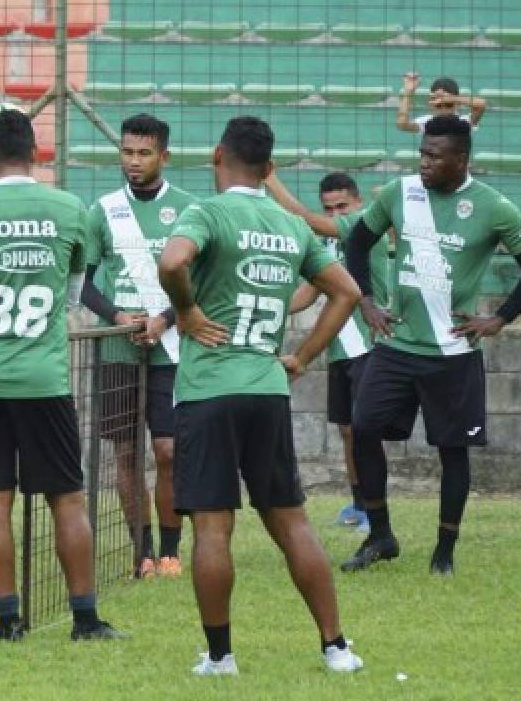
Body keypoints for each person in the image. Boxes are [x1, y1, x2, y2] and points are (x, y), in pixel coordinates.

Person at [157, 116, 364, 676]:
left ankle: (221, 656)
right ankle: (336, 647)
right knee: (291, 521)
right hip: (267, 389)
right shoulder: (291, 226)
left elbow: (173, 260)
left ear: (216, 154)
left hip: (208, 389)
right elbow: (346, 291)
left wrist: (187, 311)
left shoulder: (206, 213)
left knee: (213, 526)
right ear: (270, 169)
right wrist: (301, 357)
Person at [0, 108, 123, 641]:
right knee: (67, 497)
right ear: (36, 153)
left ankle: (8, 620)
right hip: (44, 377)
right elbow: (72, 289)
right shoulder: (69, 210)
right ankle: (85, 618)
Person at [341, 115, 521, 575]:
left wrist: (499, 318)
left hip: (453, 355)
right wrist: (367, 302)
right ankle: (380, 535)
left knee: (452, 451)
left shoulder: (493, 207)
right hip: (397, 348)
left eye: (435, 156)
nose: (424, 162)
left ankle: (444, 553)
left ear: (461, 159)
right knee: (362, 427)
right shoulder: (399, 193)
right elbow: (356, 244)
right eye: (422, 153)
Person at [81, 113, 195, 578]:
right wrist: (117, 317)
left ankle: (171, 548)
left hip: (170, 352)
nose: (134, 161)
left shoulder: (190, 209)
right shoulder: (102, 210)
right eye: (127, 152)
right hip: (118, 352)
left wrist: (164, 318)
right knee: (126, 455)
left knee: (168, 451)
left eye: (144, 153)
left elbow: (200, 281)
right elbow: (83, 288)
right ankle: (141, 549)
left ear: (163, 156)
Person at [264, 170, 394, 532]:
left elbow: (306, 222)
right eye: (329, 208)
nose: (337, 214)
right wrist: (270, 306)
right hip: (339, 349)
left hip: (371, 345)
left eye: (342, 206)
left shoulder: (366, 231)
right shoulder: (330, 247)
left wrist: (270, 178)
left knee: (364, 431)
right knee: (348, 431)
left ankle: (375, 509)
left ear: (359, 204)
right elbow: (310, 292)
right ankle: (358, 504)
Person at [396, 73, 487, 136]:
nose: (443, 110)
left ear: (457, 105)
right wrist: (408, 92)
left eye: (448, 105)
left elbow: (481, 104)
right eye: (438, 106)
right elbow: (402, 124)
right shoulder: (427, 122)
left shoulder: (465, 122)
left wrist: (452, 98)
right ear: (431, 105)